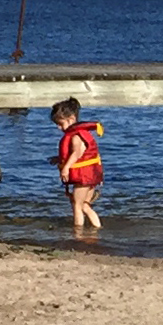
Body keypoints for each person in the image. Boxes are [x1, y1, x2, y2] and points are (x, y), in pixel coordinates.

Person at [51, 97, 104, 234]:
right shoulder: (80, 133)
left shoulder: (76, 136)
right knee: (85, 206)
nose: (58, 127)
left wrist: (66, 168)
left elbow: (77, 153)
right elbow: (80, 154)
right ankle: (97, 229)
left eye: (60, 123)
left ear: (71, 119)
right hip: (90, 174)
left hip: (83, 176)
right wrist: (59, 159)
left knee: (77, 205)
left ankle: (78, 233)